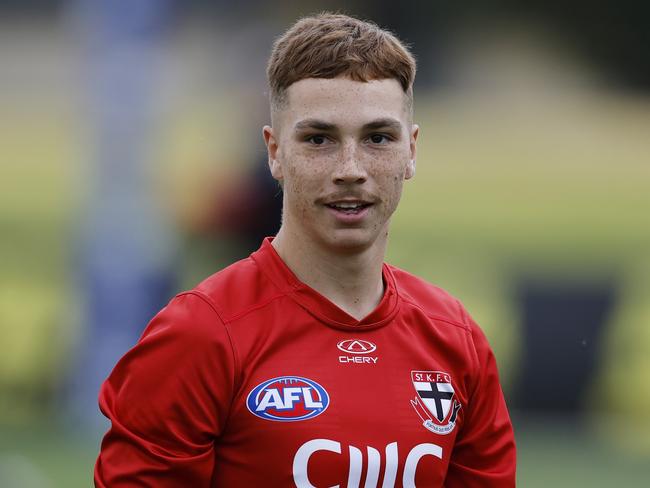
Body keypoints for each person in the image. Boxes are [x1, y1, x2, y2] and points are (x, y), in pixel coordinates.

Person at [95, 13, 516, 487]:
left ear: (411, 151)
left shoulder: (456, 341)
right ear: (274, 152)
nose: (351, 169)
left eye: (378, 138)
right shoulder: (201, 335)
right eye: (319, 139)